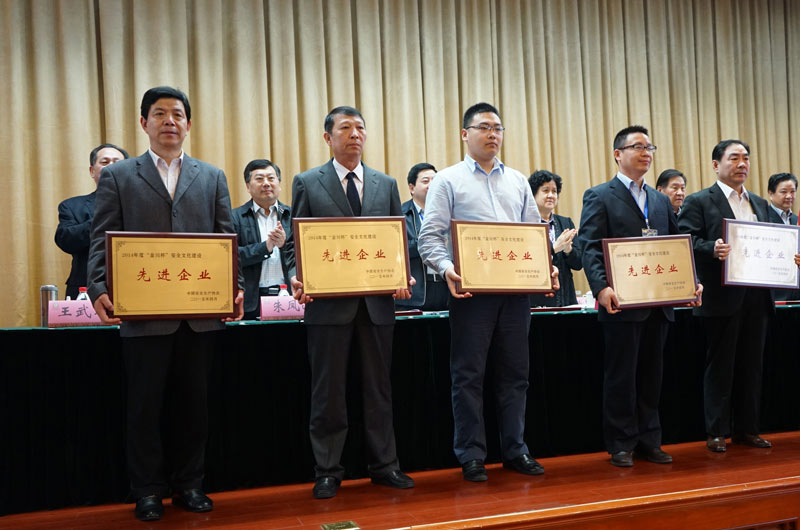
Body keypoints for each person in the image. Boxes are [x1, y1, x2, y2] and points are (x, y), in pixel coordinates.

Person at [87, 86, 244, 521]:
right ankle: (147, 490)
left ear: (188, 124)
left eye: (177, 114)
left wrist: (234, 287)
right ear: (144, 123)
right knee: (144, 405)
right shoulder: (120, 176)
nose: (169, 121)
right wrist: (98, 286)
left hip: (199, 313)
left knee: (194, 405)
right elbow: (102, 236)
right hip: (143, 313)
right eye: (159, 114)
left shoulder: (211, 176)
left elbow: (225, 236)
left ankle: (189, 484)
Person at [419, 102, 556, 482]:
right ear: (465, 134)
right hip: (471, 296)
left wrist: (546, 268)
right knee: (468, 376)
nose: (492, 134)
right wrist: (447, 268)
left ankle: (515, 449)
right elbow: (429, 238)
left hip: (515, 295)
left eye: (497, 128)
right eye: (484, 127)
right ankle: (471, 455)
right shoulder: (447, 180)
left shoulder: (517, 181)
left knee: (515, 374)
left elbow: (533, 236)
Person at [286, 106, 415, 499]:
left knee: (379, 389)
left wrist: (402, 274)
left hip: (377, 306)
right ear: (328, 137)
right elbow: (295, 244)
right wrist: (297, 276)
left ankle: (385, 465)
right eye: (345, 128)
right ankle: (328, 470)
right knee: (328, 392)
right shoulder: (308, 182)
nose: (355, 134)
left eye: (360, 127)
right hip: (327, 307)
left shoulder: (385, 183)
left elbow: (397, 241)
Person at [578, 125, 702, 468]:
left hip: (657, 303)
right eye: (638, 147)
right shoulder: (599, 195)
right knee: (622, 376)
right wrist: (601, 287)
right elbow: (588, 246)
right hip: (621, 302)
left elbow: (677, 246)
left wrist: (692, 281)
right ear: (618, 154)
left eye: (650, 148)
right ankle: (620, 443)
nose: (646, 153)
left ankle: (650, 440)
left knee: (652, 375)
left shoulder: (660, 200)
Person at [679, 140, 800, 453]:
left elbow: (776, 243)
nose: (742, 164)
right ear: (716, 165)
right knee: (721, 366)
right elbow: (685, 241)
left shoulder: (759, 202)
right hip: (721, 298)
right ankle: (716, 431)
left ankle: (748, 429)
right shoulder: (699, 201)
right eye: (734, 158)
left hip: (757, 297)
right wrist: (712, 248)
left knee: (752, 365)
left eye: (746, 158)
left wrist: (791, 257)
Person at [55, 143, 129, 299]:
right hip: (85, 289)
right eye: (105, 162)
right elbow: (66, 240)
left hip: (134, 284)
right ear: (92, 171)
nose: (111, 166)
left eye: (117, 162)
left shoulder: (141, 205)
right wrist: (105, 218)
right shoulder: (72, 206)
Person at [232, 159, 292, 320]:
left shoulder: (293, 216)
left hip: (289, 297)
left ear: (279, 184)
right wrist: (265, 247)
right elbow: (231, 256)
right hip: (251, 301)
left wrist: (284, 244)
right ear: (248, 186)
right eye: (259, 179)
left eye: (271, 178)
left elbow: (305, 256)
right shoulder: (235, 217)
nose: (266, 183)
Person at [395, 162, 449, 311]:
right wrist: (430, 241)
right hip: (416, 293)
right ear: (411, 188)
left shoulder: (449, 213)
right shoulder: (400, 215)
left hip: (447, 288)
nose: (431, 185)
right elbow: (396, 251)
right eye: (425, 181)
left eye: (435, 181)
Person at [528, 170, 581, 307]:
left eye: (554, 191)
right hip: (538, 297)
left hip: (566, 297)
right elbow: (527, 260)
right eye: (545, 191)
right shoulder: (526, 224)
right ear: (533, 194)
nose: (551, 195)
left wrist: (568, 250)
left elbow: (578, 264)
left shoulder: (565, 222)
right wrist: (555, 248)